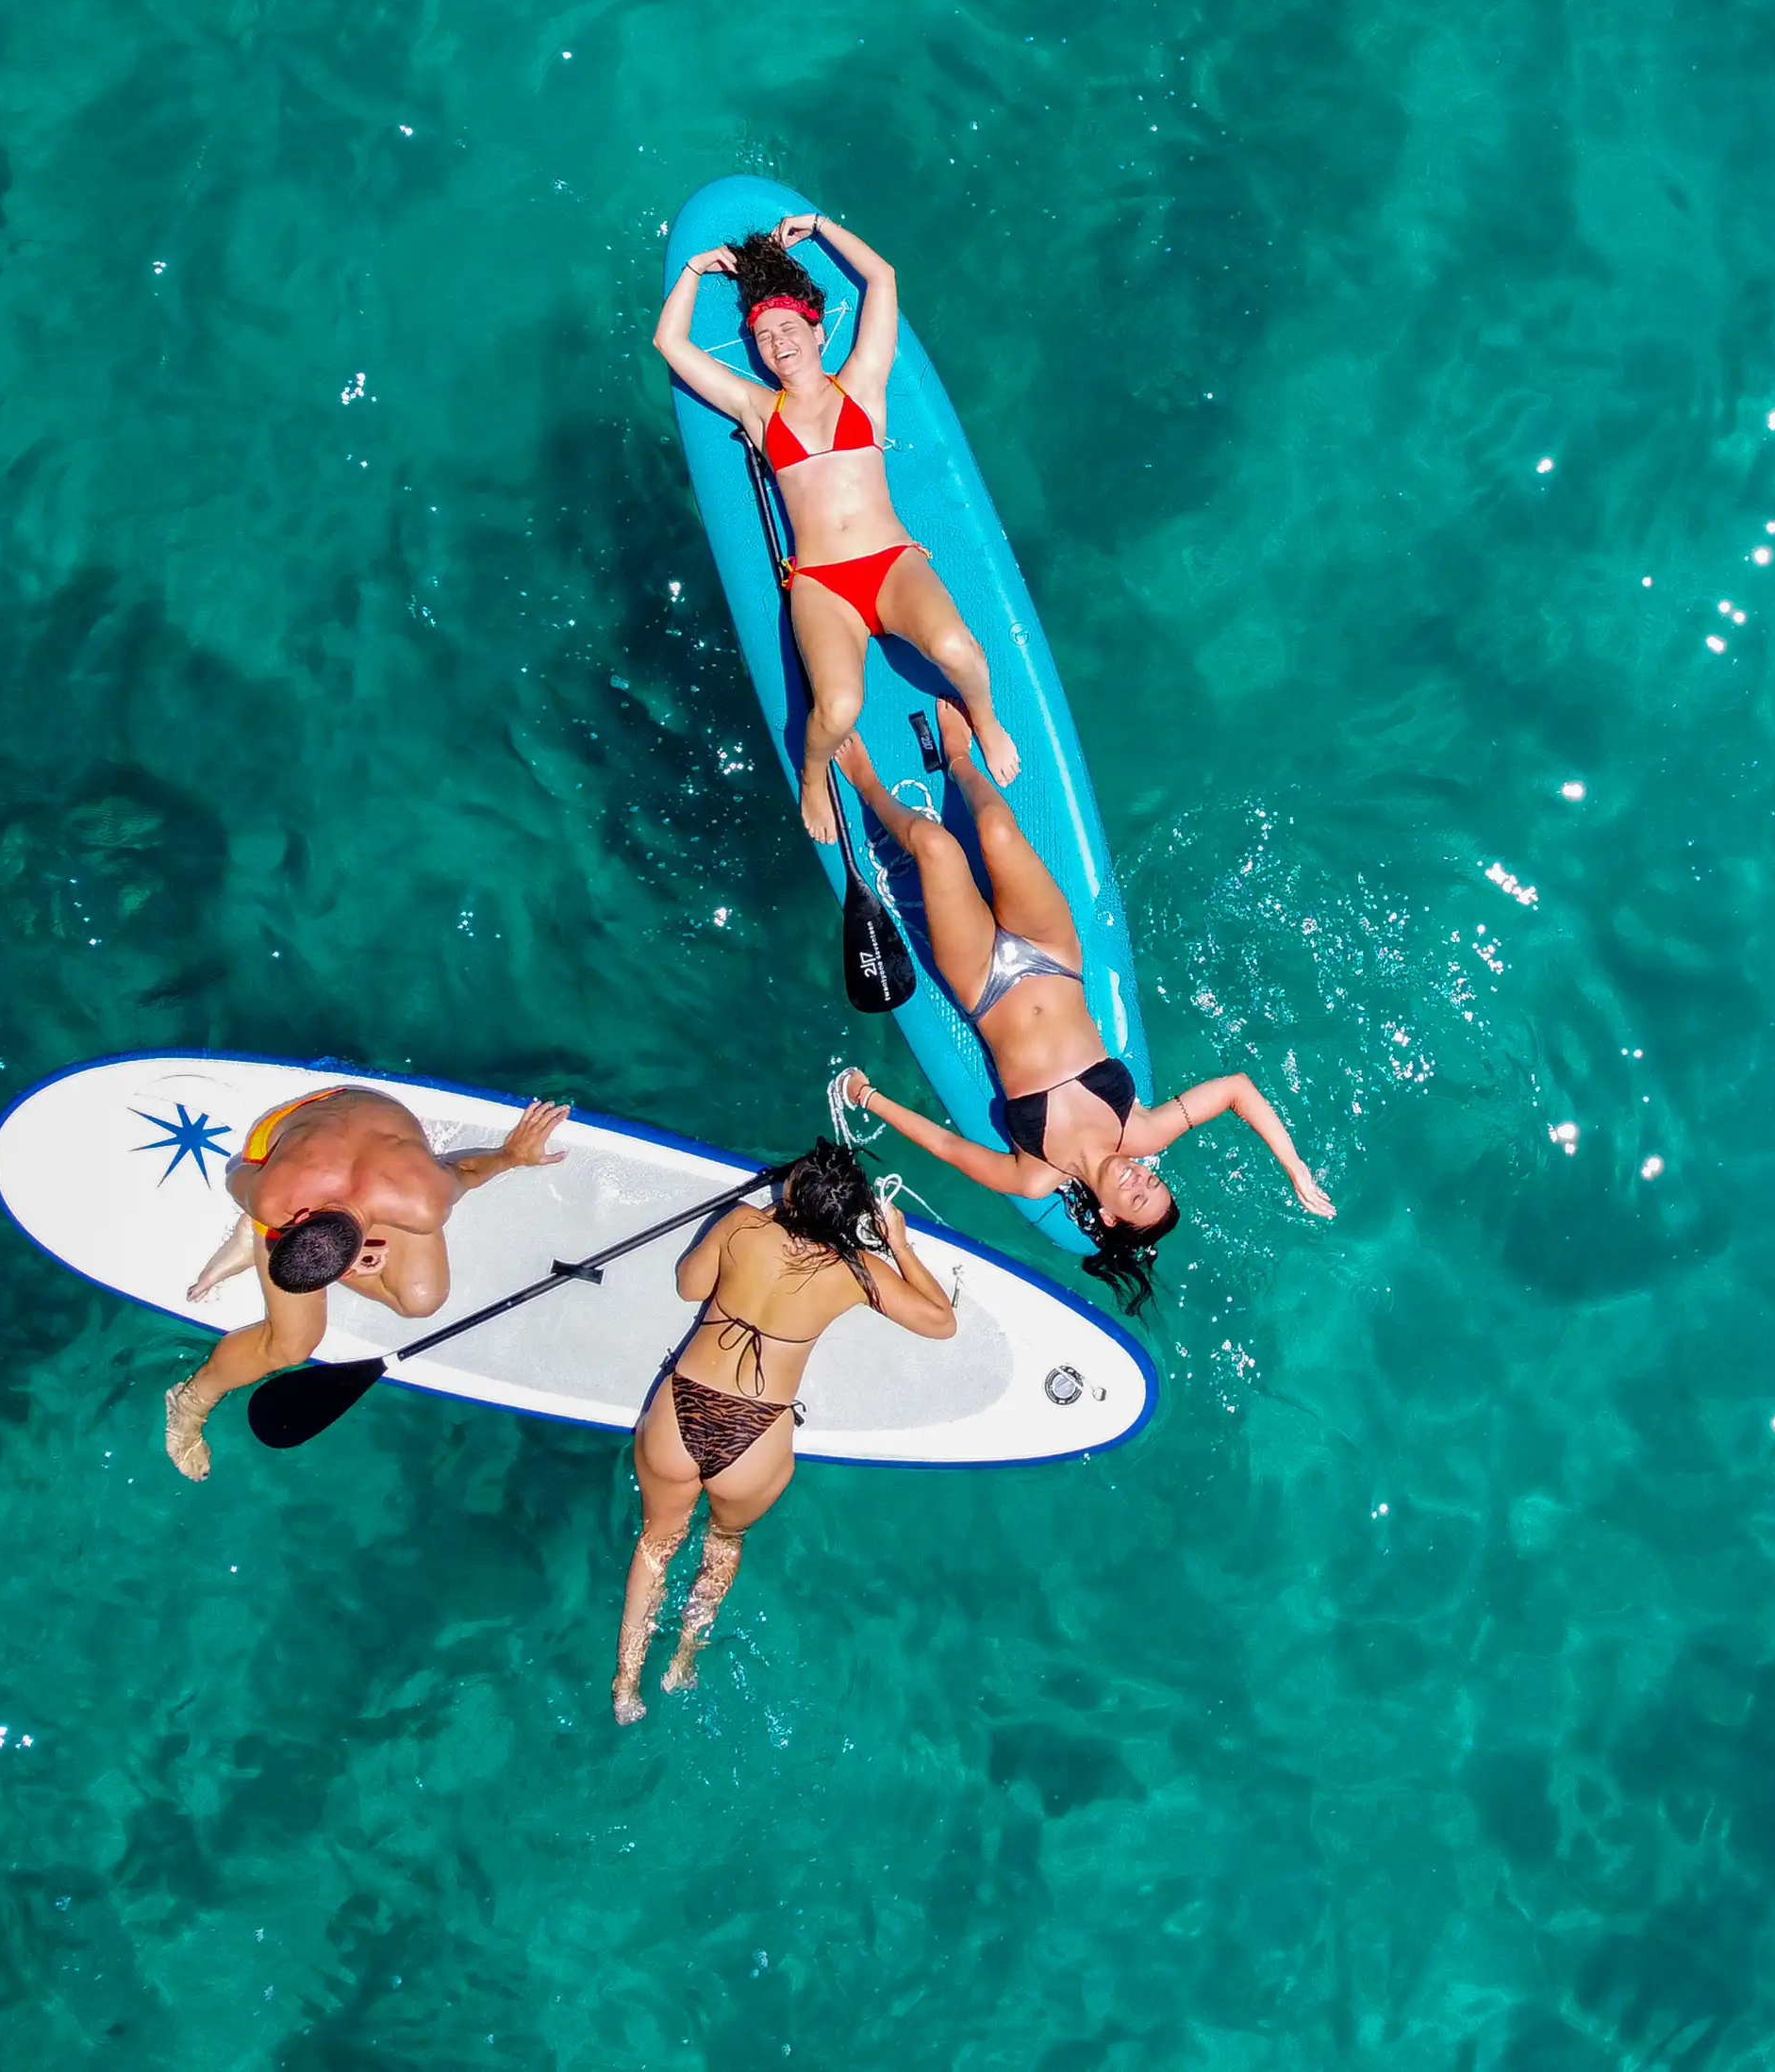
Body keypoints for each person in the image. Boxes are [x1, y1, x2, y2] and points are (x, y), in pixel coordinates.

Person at [830, 704, 1335, 1312]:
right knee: (995, 834)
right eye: (1153, 1181)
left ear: (1111, 1219)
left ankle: (867, 787)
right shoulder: (1142, 1128)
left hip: (982, 983)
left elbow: (947, 1148)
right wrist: (1295, 1168)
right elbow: (1237, 1090)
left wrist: (869, 1098)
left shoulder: (1035, 1174)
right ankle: (961, 762)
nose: (1141, 1178)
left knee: (937, 848)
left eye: (1139, 1197)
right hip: (1051, 955)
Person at [649, 212, 1021, 841]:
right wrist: (691, 270)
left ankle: (983, 718)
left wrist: (820, 227)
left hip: (892, 564)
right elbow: (671, 346)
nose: (778, 343)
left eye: (789, 328)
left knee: (958, 650)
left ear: (818, 332)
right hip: (822, 584)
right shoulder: (759, 409)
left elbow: (881, 278)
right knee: (838, 709)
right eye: (764, 337)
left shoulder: (863, 386)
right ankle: (815, 775)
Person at [615, 1140, 955, 1723]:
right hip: (755, 1433)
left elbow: (688, 1288)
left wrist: (758, 1225)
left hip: (681, 1412)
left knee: (655, 1544)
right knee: (723, 1541)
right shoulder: (854, 1271)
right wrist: (898, 1244)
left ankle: (626, 1686)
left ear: (792, 1194)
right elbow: (941, 1322)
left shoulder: (744, 1224)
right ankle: (682, 1662)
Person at [164, 1088, 572, 1479]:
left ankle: (255, 1240)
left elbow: (465, 1170)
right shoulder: (273, 1198)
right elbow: (238, 1171)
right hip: (304, 1139)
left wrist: (512, 1155)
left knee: (420, 1299)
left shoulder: (422, 1201)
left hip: (369, 1167)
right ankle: (192, 1398)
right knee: (292, 1346)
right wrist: (260, 1215)